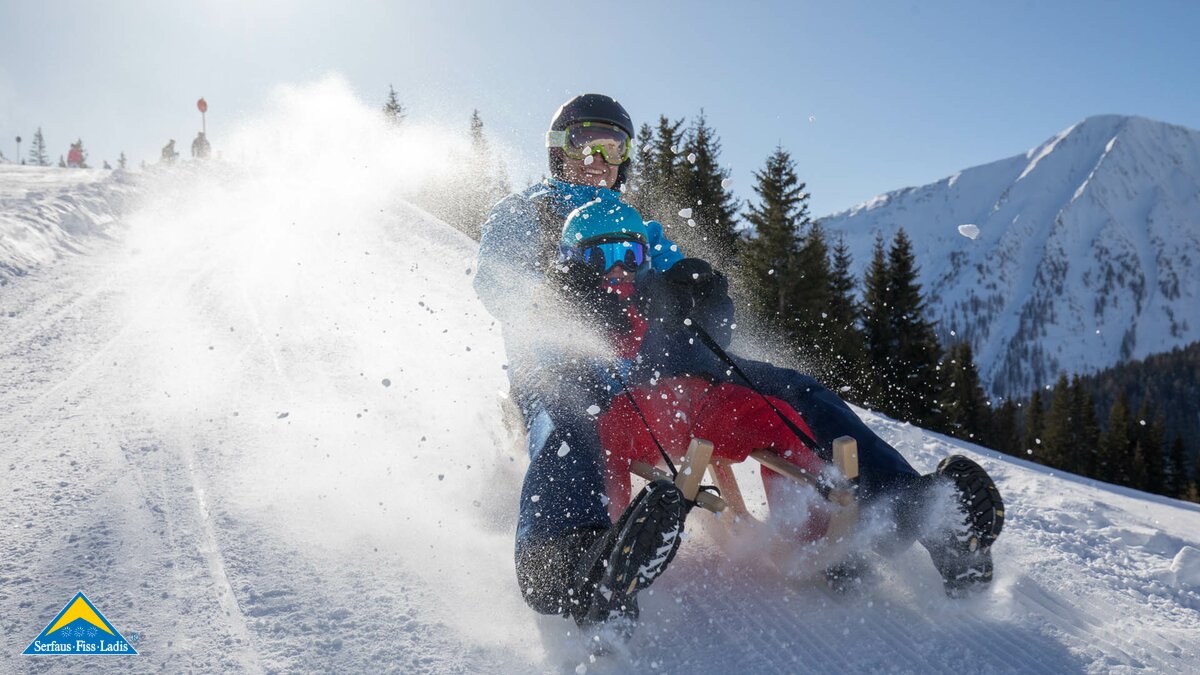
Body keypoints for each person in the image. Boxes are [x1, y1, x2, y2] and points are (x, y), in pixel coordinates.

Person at [474, 95, 1005, 630]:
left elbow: (709, 324)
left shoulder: (641, 228)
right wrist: (559, 294)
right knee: (568, 416)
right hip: (567, 372)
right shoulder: (526, 212)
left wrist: (700, 295)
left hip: (665, 377)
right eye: (581, 141)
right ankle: (569, 562)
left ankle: (920, 513)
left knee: (791, 391)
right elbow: (497, 286)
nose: (596, 157)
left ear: (625, 158)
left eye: (612, 145)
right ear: (555, 150)